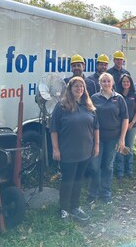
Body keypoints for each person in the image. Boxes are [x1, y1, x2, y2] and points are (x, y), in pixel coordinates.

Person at [50, 77, 99, 221]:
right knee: (68, 181)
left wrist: (96, 146)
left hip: (85, 152)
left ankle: (75, 206)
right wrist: (55, 149)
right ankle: (64, 209)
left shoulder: (89, 106)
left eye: (81, 87)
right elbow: (54, 130)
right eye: (76, 86)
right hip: (68, 152)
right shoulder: (61, 107)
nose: (79, 89)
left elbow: (96, 128)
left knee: (78, 180)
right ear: (70, 89)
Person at [88, 73, 129, 204]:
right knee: (95, 166)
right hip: (96, 139)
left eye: (108, 81)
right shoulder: (94, 98)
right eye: (103, 81)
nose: (106, 83)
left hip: (113, 139)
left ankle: (105, 193)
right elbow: (89, 118)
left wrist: (122, 139)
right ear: (100, 83)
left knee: (108, 166)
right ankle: (93, 193)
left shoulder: (119, 98)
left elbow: (125, 118)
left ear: (112, 83)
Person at [115, 74, 136, 178]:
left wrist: (132, 123)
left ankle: (129, 170)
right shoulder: (116, 95)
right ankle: (120, 171)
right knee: (120, 147)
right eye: (123, 82)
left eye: (128, 82)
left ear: (130, 83)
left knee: (129, 147)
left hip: (132, 126)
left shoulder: (134, 95)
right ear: (121, 83)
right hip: (119, 126)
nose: (126, 83)